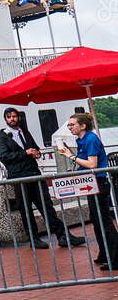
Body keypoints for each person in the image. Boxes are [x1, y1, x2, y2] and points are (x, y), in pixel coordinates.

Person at [0, 108, 85, 249]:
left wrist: (36, 153)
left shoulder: (25, 132)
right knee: (26, 209)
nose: (12, 119)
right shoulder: (2, 137)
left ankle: (63, 236)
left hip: (34, 173)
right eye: (9, 117)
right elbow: (4, 157)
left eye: (14, 116)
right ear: (5, 119)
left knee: (46, 205)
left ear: (18, 118)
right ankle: (34, 239)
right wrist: (26, 153)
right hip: (18, 177)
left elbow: (35, 147)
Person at [58, 113, 118, 270]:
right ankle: (105, 253)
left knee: (103, 220)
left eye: (73, 124)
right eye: (69, 125)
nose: (70, 127)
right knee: (96, 218)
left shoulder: (90, 139)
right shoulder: (82, 140)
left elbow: (92, 164)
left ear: (82, 126)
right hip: (92, 182)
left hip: (98, 181)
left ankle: (115, 257)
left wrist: (70, 156)